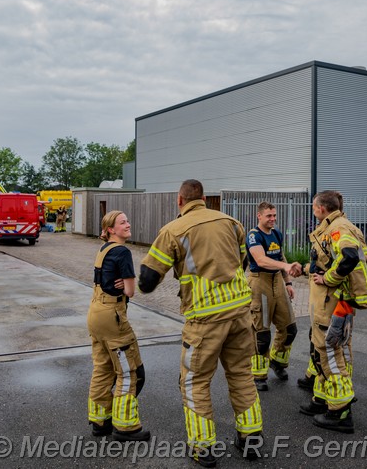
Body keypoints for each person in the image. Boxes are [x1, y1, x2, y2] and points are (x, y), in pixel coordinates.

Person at [139, 179, 263, 466]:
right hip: (240, 311)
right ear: (204, 198)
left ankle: (203, 447)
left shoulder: (173, 230)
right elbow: (243, 263)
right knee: (242, 374)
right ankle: (251, 440)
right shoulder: (232, 223)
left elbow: (146, 281)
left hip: (205, 318)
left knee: (194, 381)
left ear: (180, 201)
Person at [296, 190, 367, 434]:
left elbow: (349, 258)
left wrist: (330, 280)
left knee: (327, 349)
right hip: (338, 300)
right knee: (333, 347)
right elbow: (365, 264)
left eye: (313, 206)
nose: (312, 209)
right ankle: (322, 399)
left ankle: (340, 409)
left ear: (321, 208)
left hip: (330, 301)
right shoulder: (346, 226)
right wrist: (309, 269)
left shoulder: (337, 229)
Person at [87, 211, 150, 442]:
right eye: (122, 222)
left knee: (102, 368)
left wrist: (123, 283)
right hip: (113, 317)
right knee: (130, 372)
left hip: (95, 313)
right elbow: (131, 291)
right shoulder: (122, 251)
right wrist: (126, 283)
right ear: (111, 229)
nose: (128, 224)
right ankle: (126, 428)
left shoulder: (103, 250)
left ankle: (100, 421)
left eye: (127, 220)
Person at [245, 201, 301, 392]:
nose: (273, 219)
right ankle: (259, 376)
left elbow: (280, 257)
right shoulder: (254, 235)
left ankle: (277, 362)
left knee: (290, 328)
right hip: (259, 282)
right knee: (261, 333)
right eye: (269, 216)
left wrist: (288, 282)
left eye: (274, 215)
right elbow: (261, 259)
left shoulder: (276, 233)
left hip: (278, 282)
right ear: (259, 216)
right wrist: (285, 267)